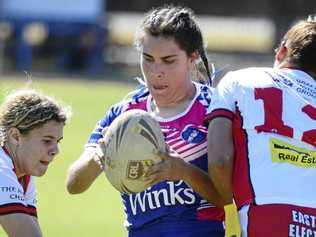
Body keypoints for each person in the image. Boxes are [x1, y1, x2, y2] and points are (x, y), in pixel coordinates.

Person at [66, 5, 226, 237]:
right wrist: (97, 157)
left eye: (168, 60)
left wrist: (184, 171)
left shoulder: (214, 109)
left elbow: (229, 197)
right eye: (148, 59)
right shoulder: (124, 115)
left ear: (192, 58)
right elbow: (74, 184)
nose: (155, 71)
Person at [208, 15, 316, 237]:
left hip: (264, 212)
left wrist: (229, 211)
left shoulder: (239, 80)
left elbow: (219, 160)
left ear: (282, 51)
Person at [0, 89, 70, 237]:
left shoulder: (22, 173)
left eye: (57, 141)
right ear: (15, 137)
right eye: (47, 141)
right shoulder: (2, 169)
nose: (55, 150)